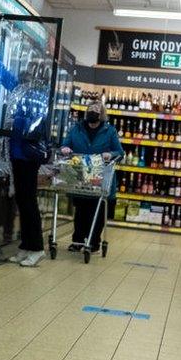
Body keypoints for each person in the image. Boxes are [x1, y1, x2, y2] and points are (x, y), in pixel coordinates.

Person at [60, 103, 123, 252]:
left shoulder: (110, 131)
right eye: (90, 110)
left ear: (102, 115)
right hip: (80, 177)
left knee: (97, 211)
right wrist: (65, 148)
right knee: (81, 210)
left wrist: (111, 154)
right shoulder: (77, 128)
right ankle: (78, 241)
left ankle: (94, 242)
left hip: (99, 178)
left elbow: (120, 152)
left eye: (96, 111)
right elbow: (65, 144)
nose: (92, 113)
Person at [6, 60, 51, 267]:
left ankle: (37, 248)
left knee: (29, 203)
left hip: (27, 156)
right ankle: (25, 246)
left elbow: (31, 125)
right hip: (18, 154)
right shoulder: (21, 93)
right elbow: (4, 78)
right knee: (23, 203)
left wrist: (16, 119)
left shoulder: (38, 98)